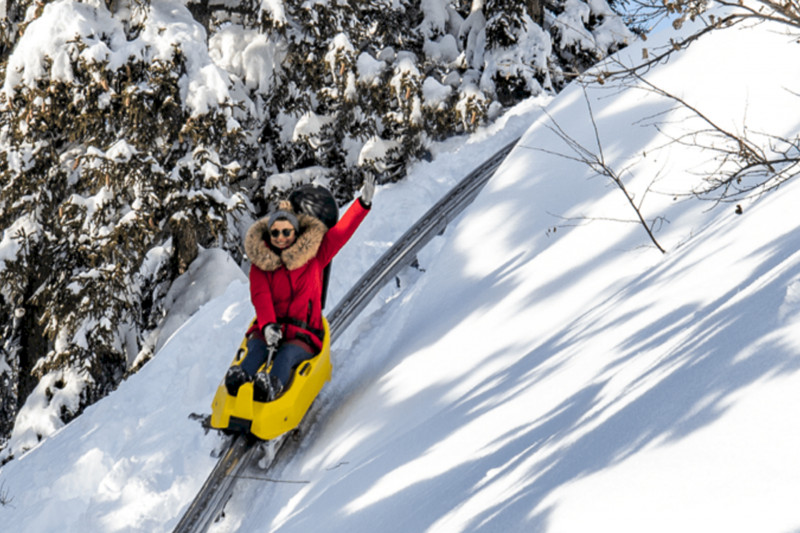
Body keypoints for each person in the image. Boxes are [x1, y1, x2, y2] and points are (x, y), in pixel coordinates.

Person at [225, 176, 375, 401]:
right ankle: (241, 376)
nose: (281, 238)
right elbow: (261, 296)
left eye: (286, 232)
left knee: (286, 355)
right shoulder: (263, 266)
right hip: (269, 328)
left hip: (303, 333)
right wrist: (268, 326)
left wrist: (361, 205)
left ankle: (271, 385)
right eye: (275, 233)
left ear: (295, 233)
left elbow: (340, 234)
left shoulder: (314, 258)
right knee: (256, 348)